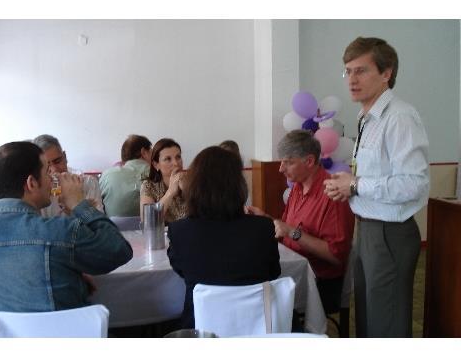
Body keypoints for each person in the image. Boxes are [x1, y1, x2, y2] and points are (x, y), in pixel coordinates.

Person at [323, 37, 429, 337]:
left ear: (386, 73)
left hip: (390, 234)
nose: (352, 79)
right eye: (348, 71)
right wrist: (348, 187)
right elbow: (374, 175)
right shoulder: (365, 117)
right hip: (367, 229)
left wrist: (356, 184)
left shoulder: (399, 117)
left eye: (361, 70)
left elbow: (415, 183)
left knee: (387, 325)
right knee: (369, 320)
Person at [0, 141, 132, 318]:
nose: (53, 176)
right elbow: (119, 249)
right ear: (31, 183)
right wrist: (79, 204)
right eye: (47, 171)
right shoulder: (59, 231)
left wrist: (66, 275)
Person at [167, 146, 281, 328]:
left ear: (194, 185)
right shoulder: (263, 227)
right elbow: (273, 272)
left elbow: (180, 269)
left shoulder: (180, 232)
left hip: (201, 328)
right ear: (239, 185)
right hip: (257, 328)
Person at [246, 130, 354, 315]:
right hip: (294, 272)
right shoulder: (297, 186)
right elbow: (286, 228)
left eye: (288, 162)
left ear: (309, 161)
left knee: (259, 301)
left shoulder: (333, 193)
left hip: (320, 283)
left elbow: (336, 256)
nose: (280, 168)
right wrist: (265, 219)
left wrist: (292, 232)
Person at [33, 134, 104, 217]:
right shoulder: (36, 190)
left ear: (65, 157)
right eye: (47, 166)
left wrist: (76, 207)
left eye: (58, 161)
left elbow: (99, 226)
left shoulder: (87, 182)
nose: (54, 169)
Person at [99, 135, 152, 217]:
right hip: (151, 227)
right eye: (151, 151)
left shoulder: (107, 175)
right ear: (144, 152)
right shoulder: (156, 173)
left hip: (113, 228)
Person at [140, 138, 187, 223]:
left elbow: (208, 215)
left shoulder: (193, 180)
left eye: (178, 157)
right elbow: (148, 221)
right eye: (168, 159)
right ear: (156, 165)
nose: (176, 163)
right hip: (163, 235)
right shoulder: (149, 186)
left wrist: (188, 191)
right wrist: (170, 192)